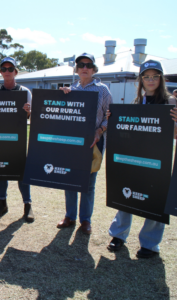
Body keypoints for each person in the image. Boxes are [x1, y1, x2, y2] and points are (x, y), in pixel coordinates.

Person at [107, 59, 177, 258]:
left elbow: (174, 134)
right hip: (135, 158)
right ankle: (118, 235)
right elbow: (127, 131)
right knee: (125, 194)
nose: (151, 80)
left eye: (155, 76)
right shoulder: (137, 102)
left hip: (158, 160)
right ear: (141, 80)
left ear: (161, 79)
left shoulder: (170, 102)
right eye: (147, 77)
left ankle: (150, 244)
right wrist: (115, 118)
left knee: (156, 200)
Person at [58, 53, 112, 234]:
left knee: (89, 183)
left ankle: (85, 220)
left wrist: (100, 130)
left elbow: (110, 117)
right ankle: (70, 216)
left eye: (88, 65)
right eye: (81, 65)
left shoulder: (103, 90)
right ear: (76, 69)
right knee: (69, 180)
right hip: (72, 143)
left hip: (93, 142)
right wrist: (62, 97)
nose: (84, 68)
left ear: (94, 69)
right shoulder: (71, 90)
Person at [0, 57, 34, 222]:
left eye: (10, 69)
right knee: (0, 169)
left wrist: (28, 111)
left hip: (17, 139)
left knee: (21, 173)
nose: (7, 72)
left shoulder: (24, 92)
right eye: (3, 69)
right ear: (0, 72)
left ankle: (27, 205)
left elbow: (31, 117)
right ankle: (2, 203)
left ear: (16, 72)